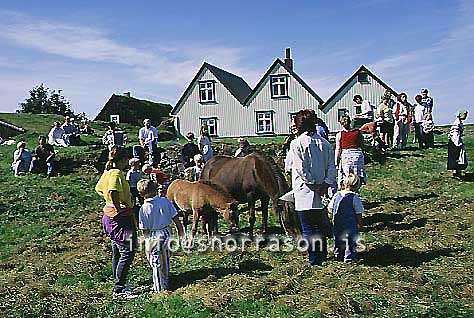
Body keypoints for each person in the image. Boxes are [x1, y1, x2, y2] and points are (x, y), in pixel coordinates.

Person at [285, 109, 336, 266]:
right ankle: (322, 254)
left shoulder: (297, 143)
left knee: (308, 226)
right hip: (321, 189)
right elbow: (331, 167)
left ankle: (314, 259)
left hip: (305, 190)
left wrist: (313, 184)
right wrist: (325, 184)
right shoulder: (325, 143)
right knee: (319, 224)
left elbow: (300, 168)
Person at [95, 146, 137, 299]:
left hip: (109, 215)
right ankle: (119, 289)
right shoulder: (116, 173)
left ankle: (120, 282)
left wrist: (109, 202)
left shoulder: (107, 172)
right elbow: (112, 191)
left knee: (117, 252)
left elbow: (98, 189)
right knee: (127, 251)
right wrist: (118, 206)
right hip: (120, 217)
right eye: (126, 159)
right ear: (122, 160)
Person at [137, 179, 185, 293]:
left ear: (141, 194)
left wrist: (146, 241)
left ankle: (160, 288)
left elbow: (144, 228)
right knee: (165, 258)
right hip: (166, 232)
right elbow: (175, 217)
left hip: (153, 235)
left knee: (155, 261)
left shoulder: (143, 209)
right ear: (155, 189)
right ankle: (165, 280)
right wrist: (180, 231)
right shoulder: (165, 201)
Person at [328, 173, 364, 263]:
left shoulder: (337, 195)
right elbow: (358, 212)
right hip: (350, 223)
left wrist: (332, 217)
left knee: (338, 238)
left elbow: (330, 207)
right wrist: (360, 224)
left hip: (337, 222)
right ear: (357, 186)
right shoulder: (355, 197)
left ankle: (338, 254)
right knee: (350, 240)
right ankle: (349, 257)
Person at [335, 116, 366, 188]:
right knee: (357, 174)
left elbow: (338, 149)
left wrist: (336, 161)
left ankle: (348, 189)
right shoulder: (358, 132)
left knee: (347, 175)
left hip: (347, 156)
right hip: (357, 155)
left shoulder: (339, 134)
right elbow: (362, 143)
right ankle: (357, 189)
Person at [447, 110, 469, 178]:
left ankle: (457, 171)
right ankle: (455, 172)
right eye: (464, 114)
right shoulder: (457, 123)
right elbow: (455, 134)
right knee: (456, 157)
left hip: (456, 141)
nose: (466, 116)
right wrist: (457, 143)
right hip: (455, 142)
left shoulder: (458, 122)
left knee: (457, 157)